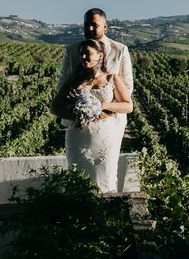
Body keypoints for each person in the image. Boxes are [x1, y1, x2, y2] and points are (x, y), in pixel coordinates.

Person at [51, 39, 133, 192]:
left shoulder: (112, 78)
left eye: (87, 53)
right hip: (78, 137)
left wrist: (103, 106)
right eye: (81, 54)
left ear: (100, 56)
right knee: (78, 177)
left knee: (105, 176)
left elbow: (128, 106)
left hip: (105, 137)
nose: (83, 57)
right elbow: (55, 107)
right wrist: (75, 115)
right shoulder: (73, 80)